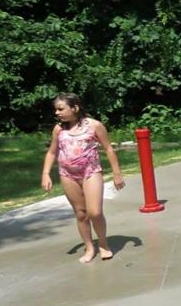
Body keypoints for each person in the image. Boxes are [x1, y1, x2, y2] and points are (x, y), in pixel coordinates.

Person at [40, 93, 126, 263]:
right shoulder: (59, 129)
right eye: (56, 110)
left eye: (61, 109)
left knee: (95, 212)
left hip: (90, 172)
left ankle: (103, 244)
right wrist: (46, 174)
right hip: (68, 175)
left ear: (75, 108)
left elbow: (108, 149)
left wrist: (117, 174)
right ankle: (89, 247)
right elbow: (52, 152)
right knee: (81, 214)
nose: (57, 113)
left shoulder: (94, 126)